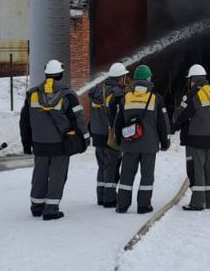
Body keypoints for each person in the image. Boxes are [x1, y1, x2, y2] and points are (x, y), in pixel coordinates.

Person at [20, 59, 89, 221]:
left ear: (46, 74)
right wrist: (85, 139)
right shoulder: (68, 96)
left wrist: (26, 143)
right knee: (57, 176)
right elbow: (78, 120)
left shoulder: (32, 94)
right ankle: (51, 209)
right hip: (60, 145)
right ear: (60, 74)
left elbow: (24, 122)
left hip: (39, 144)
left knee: (39, 175)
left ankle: (37, 206)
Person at [114, 65, 171, 214]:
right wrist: (165, 142)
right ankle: (143, 206)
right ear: (148, 79)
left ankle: (122, 205)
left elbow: (118, 122)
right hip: (149, 146)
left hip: (129, 144)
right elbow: (163, 124)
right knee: (147, 177)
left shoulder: (125, 98)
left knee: (126, 175)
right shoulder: (156, 99)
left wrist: (119, 141)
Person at [174, 64, 210, 211]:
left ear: (192, 80)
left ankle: (197, 202)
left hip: (195, 138)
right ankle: (209, 200)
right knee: (208, 169)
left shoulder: (193, 94)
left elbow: (180, 116)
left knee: (196, 170)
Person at [88, 62, 129, 207]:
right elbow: (116, 115)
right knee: (112, 166)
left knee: (102, 166)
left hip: (97, 133)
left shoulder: (97, 89)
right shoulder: (116, 92)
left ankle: (101, 196)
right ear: (120, 78)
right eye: (125, 76)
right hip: (110, 134)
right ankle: (109, 199)